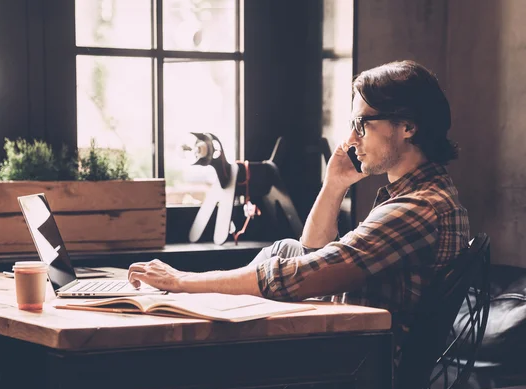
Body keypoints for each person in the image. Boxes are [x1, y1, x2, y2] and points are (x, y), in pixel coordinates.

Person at [128, 60, 470, 370]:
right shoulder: (419, 197)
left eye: (362, 124)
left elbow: (300, 276)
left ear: (407, 126)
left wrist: (182, 281)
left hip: (354, 373)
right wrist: (334, 185)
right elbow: (311, 252)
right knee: (285, 250)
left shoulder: (417, 209)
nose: (351, 139)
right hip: (349, 358)